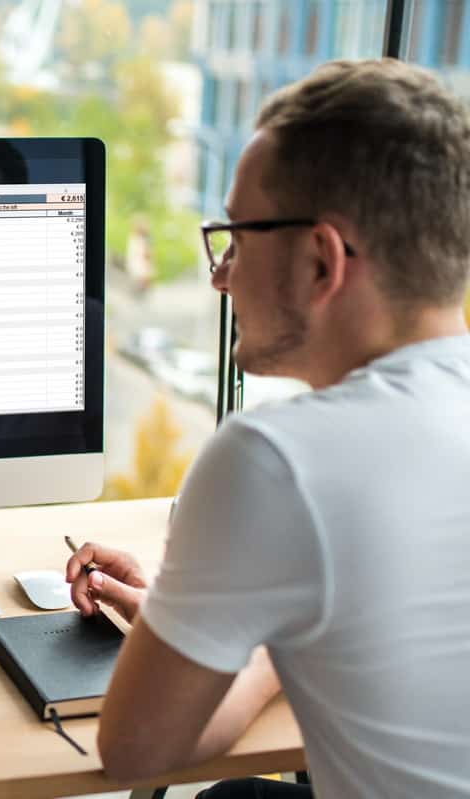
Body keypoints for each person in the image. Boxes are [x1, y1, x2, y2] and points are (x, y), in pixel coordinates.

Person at [65, 59, 470, 797]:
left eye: (238, 238)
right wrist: (226, 608)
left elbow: (134, 749)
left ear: (321, 259)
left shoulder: (277, 459)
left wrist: (248, 625)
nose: (220, 275)